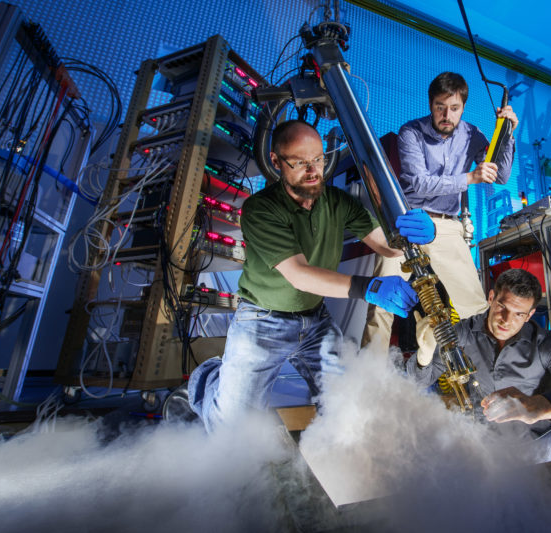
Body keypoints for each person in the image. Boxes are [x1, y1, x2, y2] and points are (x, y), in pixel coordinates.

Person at [183, 120, 436, 430]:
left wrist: (419, 233)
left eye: (318, 159)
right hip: (262, 322)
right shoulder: (261, 209)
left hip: (316, 321)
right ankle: (208, 378)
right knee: (232, 429)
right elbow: (299, 275)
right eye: (300, 162)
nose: (314, 169)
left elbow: (386, 246)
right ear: (276, 161)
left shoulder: (339, 202)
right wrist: (369, 287)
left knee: (347, 403)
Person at [362, 71, 519, 350]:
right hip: (408, 223)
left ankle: (484, 373)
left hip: (447, 226)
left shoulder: (473, 135)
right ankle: (369, 383)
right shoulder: (411, 132)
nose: (447, 115)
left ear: (463, 108)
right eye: (440, 107)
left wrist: (507, 133)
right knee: (383, 305)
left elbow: (502, 175)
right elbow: (418, 183)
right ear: (431, 104)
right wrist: (469, 178)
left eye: (454, 108)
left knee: (474, 305)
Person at [406, 268, 551, 462]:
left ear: (530, 315)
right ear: (491, 298)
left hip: (535, 450)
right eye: (502, 307)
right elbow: (416, 382)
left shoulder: (543, 344)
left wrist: (538, 405)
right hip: (483, 453)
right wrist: (424, 355)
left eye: (519, 314)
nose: (506, 320)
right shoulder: (463, 333)